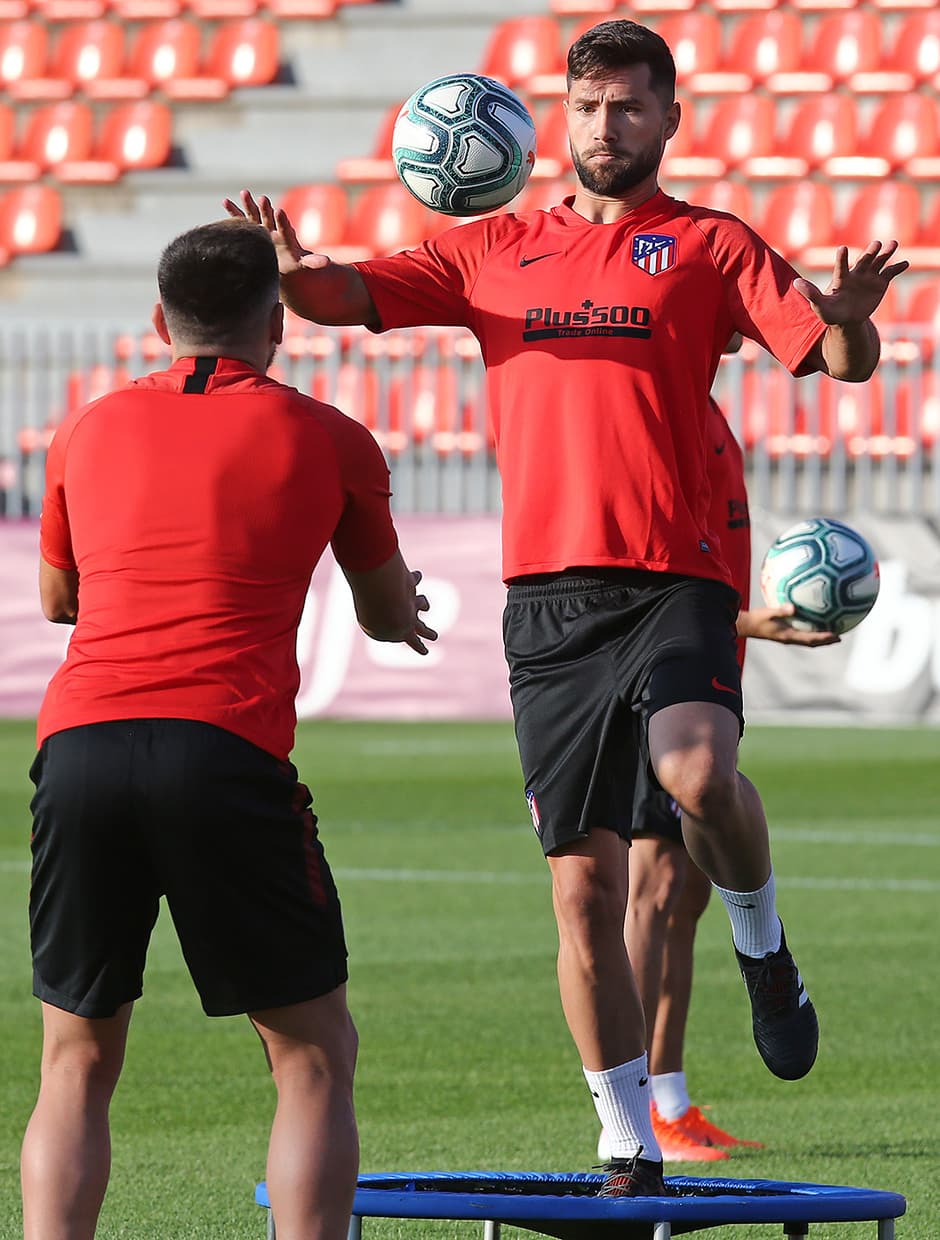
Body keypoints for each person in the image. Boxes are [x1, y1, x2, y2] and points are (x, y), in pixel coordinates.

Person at [223, 17, 906, 1197]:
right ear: (561, 117)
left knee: (697, 776)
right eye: (589, 107)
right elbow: (340, 297)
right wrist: (289, 270)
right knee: (581, 886)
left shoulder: (708, 245)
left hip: (679, 573)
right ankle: (625, 1133)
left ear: (669, 118)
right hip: (547, 597)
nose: (607, 126)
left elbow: (842, 364)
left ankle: (761, 944)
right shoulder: (492, 247)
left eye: (630, 107)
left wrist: (844, 313)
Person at [21, 216, 436, 1240]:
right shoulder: (329, 436)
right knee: (309, 1054)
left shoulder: (85, 425)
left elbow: (58, 600)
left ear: (159, 319)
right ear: (278, 323)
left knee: (75, 1059)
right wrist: (406, 605)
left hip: (78, 747)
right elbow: (387, 615)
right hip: (223, 747)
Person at [601, 393, 841, 1165]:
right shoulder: (654, 416)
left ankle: (669, 1096)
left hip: (705, 673)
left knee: (691, 889)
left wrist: (738, 626)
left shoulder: (701, 411)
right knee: (658, 889)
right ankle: (644, 1110)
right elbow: (639, 584)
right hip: (654, 681)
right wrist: (742, 623)